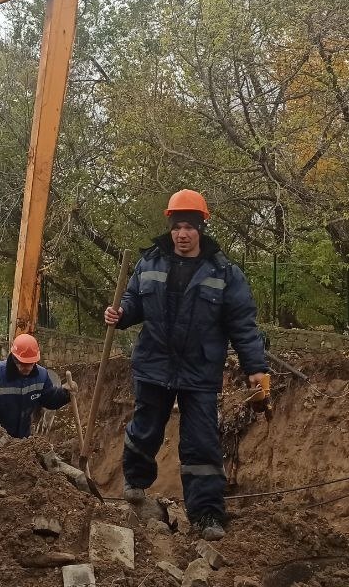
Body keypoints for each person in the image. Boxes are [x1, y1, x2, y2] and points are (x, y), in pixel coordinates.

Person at [103, 189, 267, 541]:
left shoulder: (225, 272)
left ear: (201, 228)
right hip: (154, 364)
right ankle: (135, 481)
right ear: (171, 226)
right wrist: (121, 313)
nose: (182, 234)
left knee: (201, 444)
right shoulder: (149, 263)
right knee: (145, 429)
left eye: (189, 227)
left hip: (199, 371)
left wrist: (256, 367)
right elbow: (132, 301)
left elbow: (243, 323)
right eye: (177, 226)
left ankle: (206, 514)